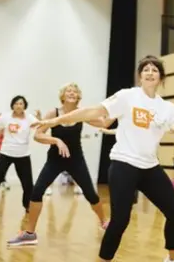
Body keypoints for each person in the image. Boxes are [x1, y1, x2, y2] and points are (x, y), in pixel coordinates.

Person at [30, 55, 174, 262]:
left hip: (150, 166)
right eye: (146, 69)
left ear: (160, 78)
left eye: (154, 70)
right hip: (124, 164)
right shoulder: (127, 96)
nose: (150, 72)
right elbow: (92, 111)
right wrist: (56, 119)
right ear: (140, 76)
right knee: (120, 220)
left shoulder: (165, 107)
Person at [7, 83, 109, 247]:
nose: (72, 93)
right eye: (68, 91)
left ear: (78, 96)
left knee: (91, 194)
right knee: (36, 192)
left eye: (75, 91)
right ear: (63, 95)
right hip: (55, 160)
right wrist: (56, 140)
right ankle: (30, 234)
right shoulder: (53, 113)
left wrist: (118, 110)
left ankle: (104, 222)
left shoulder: (81, 114)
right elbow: (38, 135)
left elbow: (104, 123)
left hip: (76, 160)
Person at [0, 96, 40, 215]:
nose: (18, 106)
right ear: (12, 105)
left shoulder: (29, 118)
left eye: (21, 103)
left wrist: (40, 118)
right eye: (16, 103)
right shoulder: (6, 117)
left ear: (24, 106)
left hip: (23, 154)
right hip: (6, 153)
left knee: (27, 184)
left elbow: (40, 127)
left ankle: (27, 206)